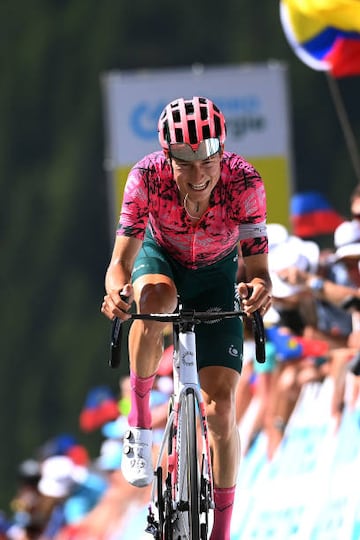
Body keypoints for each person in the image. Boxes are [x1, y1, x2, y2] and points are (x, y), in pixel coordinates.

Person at [101, 96, 272, 540]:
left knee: (221, 410)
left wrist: (258, 290)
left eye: (207, 159)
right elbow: (121, 260)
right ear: (167, 156)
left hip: (217, 277)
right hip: (162, 262)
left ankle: (224, 530)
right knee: (156, 297)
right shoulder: (144, 178)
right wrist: (116, 293)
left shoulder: (245, 182)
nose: (199, 175)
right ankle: (139, 423)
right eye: (185, 161)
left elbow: (257, 269)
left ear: (222, 150)